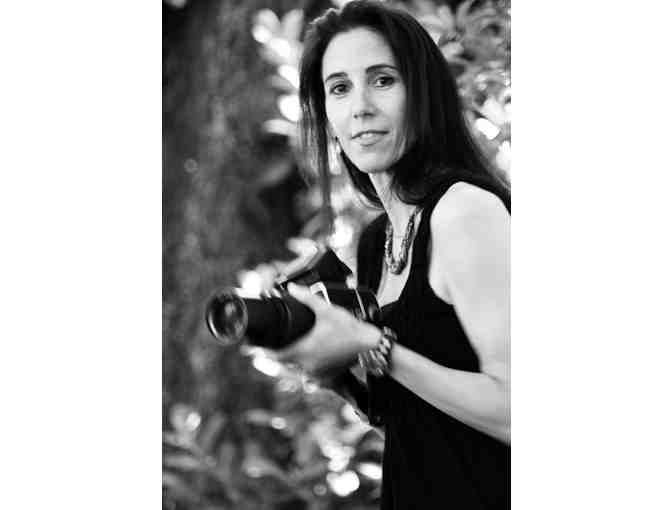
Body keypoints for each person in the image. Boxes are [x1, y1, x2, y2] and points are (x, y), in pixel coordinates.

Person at [274, 1, 511, 508]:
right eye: (339, 88)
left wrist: (374, 344)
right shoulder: (376, 240)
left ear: (423, 93)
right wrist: (337, 373)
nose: (360, 106)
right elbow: (417, 425)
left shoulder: (464, 212)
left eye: (382, 80)